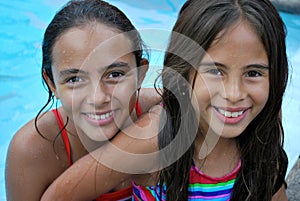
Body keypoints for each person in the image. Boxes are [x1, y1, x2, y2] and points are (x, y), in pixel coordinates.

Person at [40, 0, 289, 200]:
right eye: (215, 71)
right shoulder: (154, 138)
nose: (234, 94)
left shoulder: (262, 137)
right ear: (183, 71)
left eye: (253, 73)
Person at [5, 0, 161, 200]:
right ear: (52, 84)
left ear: (141, 74)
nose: (98, 98)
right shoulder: (33, 151)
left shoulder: (163, 111)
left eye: (114, 74)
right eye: (75, 79)